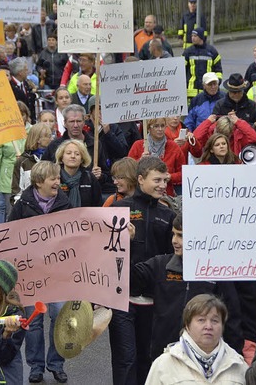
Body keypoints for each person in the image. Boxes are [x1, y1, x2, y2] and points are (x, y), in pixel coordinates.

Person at [133, 215, 243, 359]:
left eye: (181, 236)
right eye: (173, 234)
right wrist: (126, 244)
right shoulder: (160, 265)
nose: (174, 241)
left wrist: (234, 358)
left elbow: (232, 319)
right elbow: (130, 281)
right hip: (165, 357)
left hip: (204, 359)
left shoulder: (216, 272)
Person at [109, 157, 176, 385]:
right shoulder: (118, 209)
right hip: (122, 299)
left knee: (149, 360)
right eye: (156, 180)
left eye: (165, 180)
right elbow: (102, 252)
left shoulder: (168, 216)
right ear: (140, 179)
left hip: (153, 301)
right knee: (125, 360)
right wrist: (123, 241)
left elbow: (172, 258)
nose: (162, 185)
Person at [7, 161, 71, 384]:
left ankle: (56, 364)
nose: (57, 181)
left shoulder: (65, 203)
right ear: (38, 182)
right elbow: (10, 235)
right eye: (53, 178)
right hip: (31, 273)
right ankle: (36, 366)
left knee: (59, 315)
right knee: (34, 321)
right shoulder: (22, 204)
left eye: (58, 178)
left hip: (57, 273)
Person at [145, 294, 247, 384]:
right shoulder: (164, 364)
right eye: (201, 320)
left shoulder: (238, 364)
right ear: (187, 325)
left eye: (215, 321)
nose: (208, 326)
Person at [0, 101, 29, 223]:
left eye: (22, 114)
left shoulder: (32, 130)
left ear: (27, 115)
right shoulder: (2, 132)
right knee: (5, 209)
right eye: (16, 114)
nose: (19, 118)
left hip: (27, 175)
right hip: (8, 177)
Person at [128, 118, 185, 196]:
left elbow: (183, 173)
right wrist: (140, 161)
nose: (160, 129)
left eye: (162, 126)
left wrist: (170, 176)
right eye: (156, 126)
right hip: (143, 195)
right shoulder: (138, 145)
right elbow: (128, 171)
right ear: (148, 128)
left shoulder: (173, 146)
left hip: (166, 195)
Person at [11, 122, 53, 204]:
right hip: (29, 208)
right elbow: (16, 191)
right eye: (48, 136)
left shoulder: (53, 159)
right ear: (38, 139)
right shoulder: (23, 161)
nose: (51, 139)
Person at [192, 114, 256, 162]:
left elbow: (254, 138)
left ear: (231, 132)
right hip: (212, 164)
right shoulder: (209, 133)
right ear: (216, 129)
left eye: (226, 136)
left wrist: (238, 122)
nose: (223, 138)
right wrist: (207, 121)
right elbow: (194, 138)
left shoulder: (237, 135)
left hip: (233, 165)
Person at [55, 139, 102, 207]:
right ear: (62, 157)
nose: (73, 156)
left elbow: (97, 204)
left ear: (82, 159)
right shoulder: (54, 177)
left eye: (77, 154)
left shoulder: (90, 178)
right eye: (68, 153)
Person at [182, 27, 222, 99]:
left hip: (208, 91)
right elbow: (181, 70)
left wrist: (216, 83)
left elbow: (218, 70)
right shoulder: (188, 52)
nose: (192, 38)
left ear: (201, 37)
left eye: (195, 36)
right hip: (191, 92)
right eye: (192, 36)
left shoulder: (212, 51)